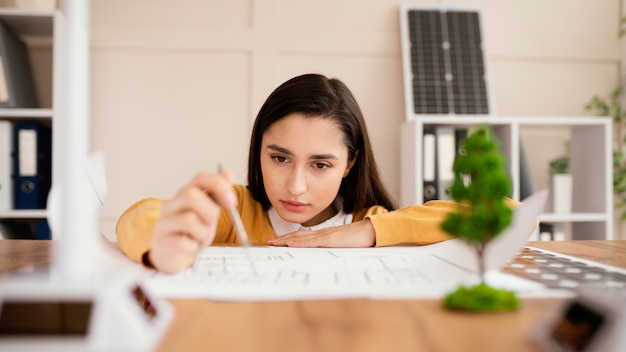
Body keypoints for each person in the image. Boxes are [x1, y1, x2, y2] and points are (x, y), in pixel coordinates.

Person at [116, 73, 457, 274]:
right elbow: (140, 216)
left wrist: (368, 231)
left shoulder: (371, 221)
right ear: (259, 149)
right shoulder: (234, 209)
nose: (295, 187)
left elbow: (504, 211)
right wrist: (162, 246)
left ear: (350, 164)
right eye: (280, 159)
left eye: (320, 165)